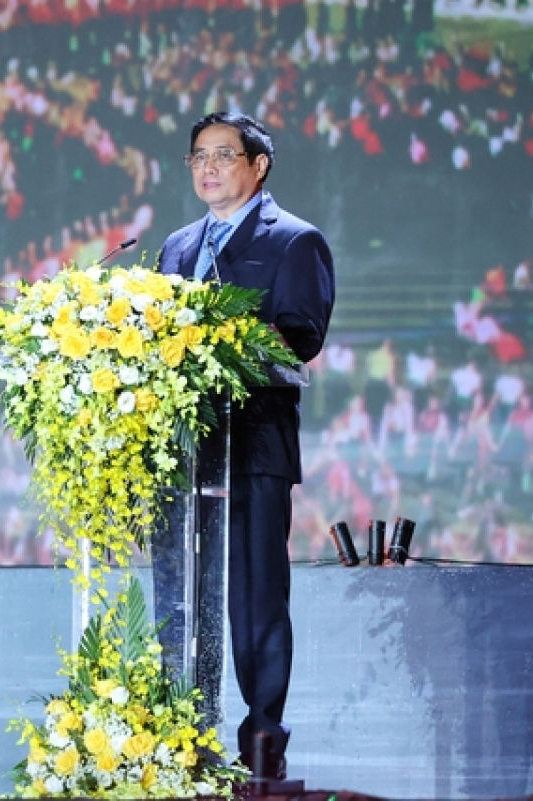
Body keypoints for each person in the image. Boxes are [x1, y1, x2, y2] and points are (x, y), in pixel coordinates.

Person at [154, 111, 335, 780]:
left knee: (256, 598)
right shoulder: (176, 247)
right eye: (198, 156)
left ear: (258, 166)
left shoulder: (295, 241)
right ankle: (180, 732)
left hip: (253, 447)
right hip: (183, 452)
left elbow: (300, 336)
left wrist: (220, 335)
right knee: (179, 596)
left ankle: (262, 744)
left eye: (223, 155)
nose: (207, 167)